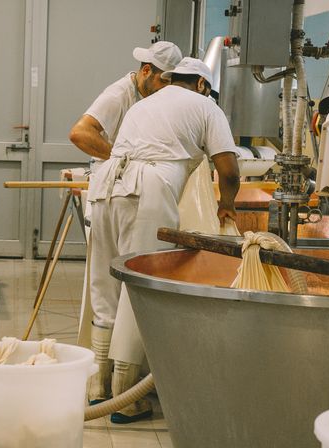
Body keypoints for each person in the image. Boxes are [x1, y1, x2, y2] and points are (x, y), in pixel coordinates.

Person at [88, 57, 241, 423]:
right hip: (148, 190)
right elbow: (229, 169)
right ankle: (126, 397)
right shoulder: (206, 106)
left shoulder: (145, 103)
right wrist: (227, 206)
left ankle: (98, 386)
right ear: (202, 85)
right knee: (139, 285)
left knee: (105, 286)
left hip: (106, 186)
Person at [70, 42, 183, 410]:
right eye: (164, 82)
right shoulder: (121, 93)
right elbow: (80, 133)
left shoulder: (153, 99)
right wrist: (121, 157)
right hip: (116, 194)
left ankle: (106, 388)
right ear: (147, 72)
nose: (166, 92)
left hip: (119, 193)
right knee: (115, 289)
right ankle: (114, 390)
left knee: (109, 291)